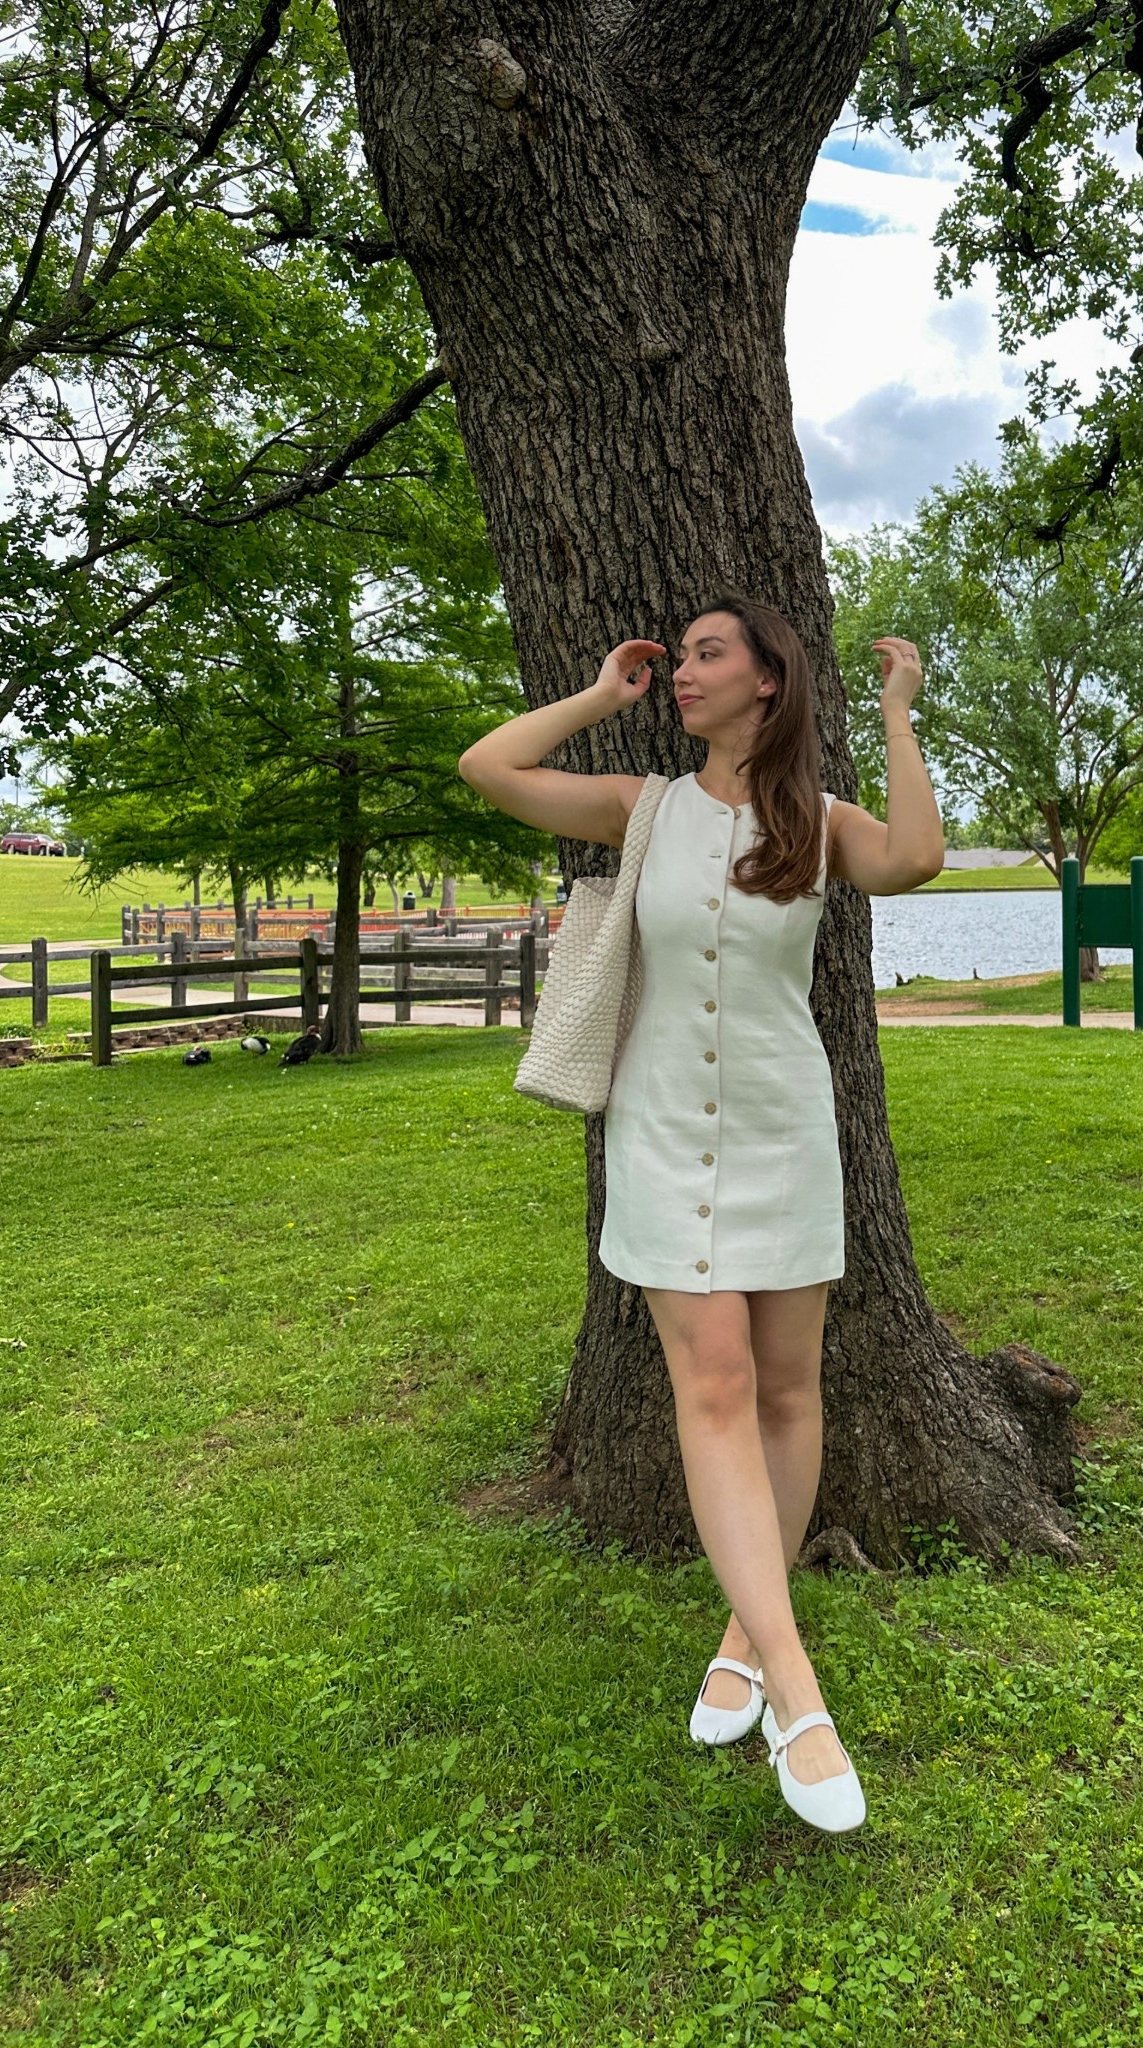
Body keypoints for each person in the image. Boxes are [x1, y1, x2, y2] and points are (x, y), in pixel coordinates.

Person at [458, 593, 943, 1832]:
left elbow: (918, 856)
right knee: (715, 1380)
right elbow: (488, 766)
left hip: (786, 1130)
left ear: (767, 682)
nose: (681, 670)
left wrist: (895, 713)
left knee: (788, 1388)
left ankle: (744, 1630)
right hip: (662, 1132)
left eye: (704, 655)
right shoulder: (641, 808)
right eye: (677, 658)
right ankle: (797, 1689)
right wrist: (599, 699)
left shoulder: (817, 826)